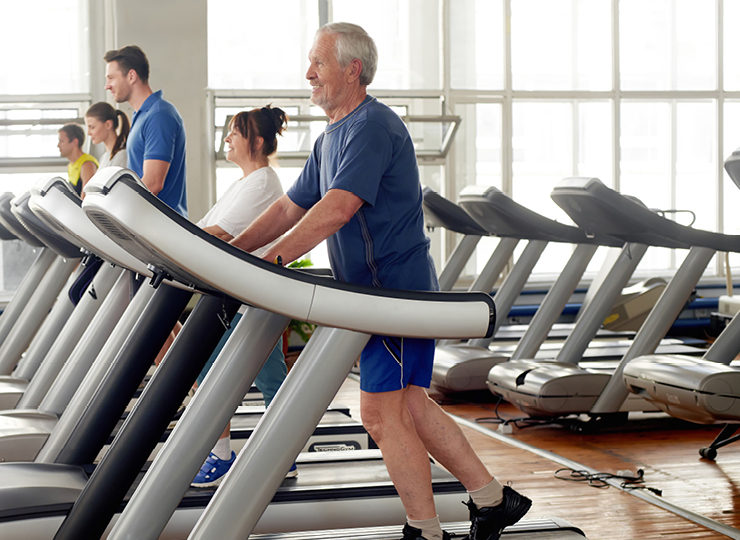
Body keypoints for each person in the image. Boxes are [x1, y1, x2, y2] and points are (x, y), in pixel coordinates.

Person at [229, 23, 531, 540]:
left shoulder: (371, 126)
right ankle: (491, 499)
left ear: (353, 69)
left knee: (379, 411)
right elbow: (288, 207)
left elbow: (338, 208)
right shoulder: (331, 138)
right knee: (409, 405)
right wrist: (237, 252)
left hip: (393, 293)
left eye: (318, 63)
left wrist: (272, 259)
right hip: (374, 297)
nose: (309, 74)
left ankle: (426, 530)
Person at [189, 106, 292, 487]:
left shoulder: (263, 182)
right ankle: (286, 453)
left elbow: (220, 234)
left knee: (208, 368)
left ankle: (221, 455)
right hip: (241, 291)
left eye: (235, 132)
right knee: (269, 376)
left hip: (248, 293)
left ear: (258, 141)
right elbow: (206, 228)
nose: (228, 138)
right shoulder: (246, 182)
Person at [103, 45, 187, 217]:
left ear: (131, 76)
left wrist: (116, 213)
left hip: (161, 227)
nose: (107, 86)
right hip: (145, 223)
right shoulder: (142, 115)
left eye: (111, 78)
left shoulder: (159, 115)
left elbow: (153, 183)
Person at [85, 102, 130, 169]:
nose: (88, 133)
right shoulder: (104, 157)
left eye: (92, 127)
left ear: (108, 125)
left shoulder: (121, 156)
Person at [57, 123, 98, 197]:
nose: (58, 145)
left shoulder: (87, 165)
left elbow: (86, 199)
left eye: (61, 141)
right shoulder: (70, 165)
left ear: (74, 142)